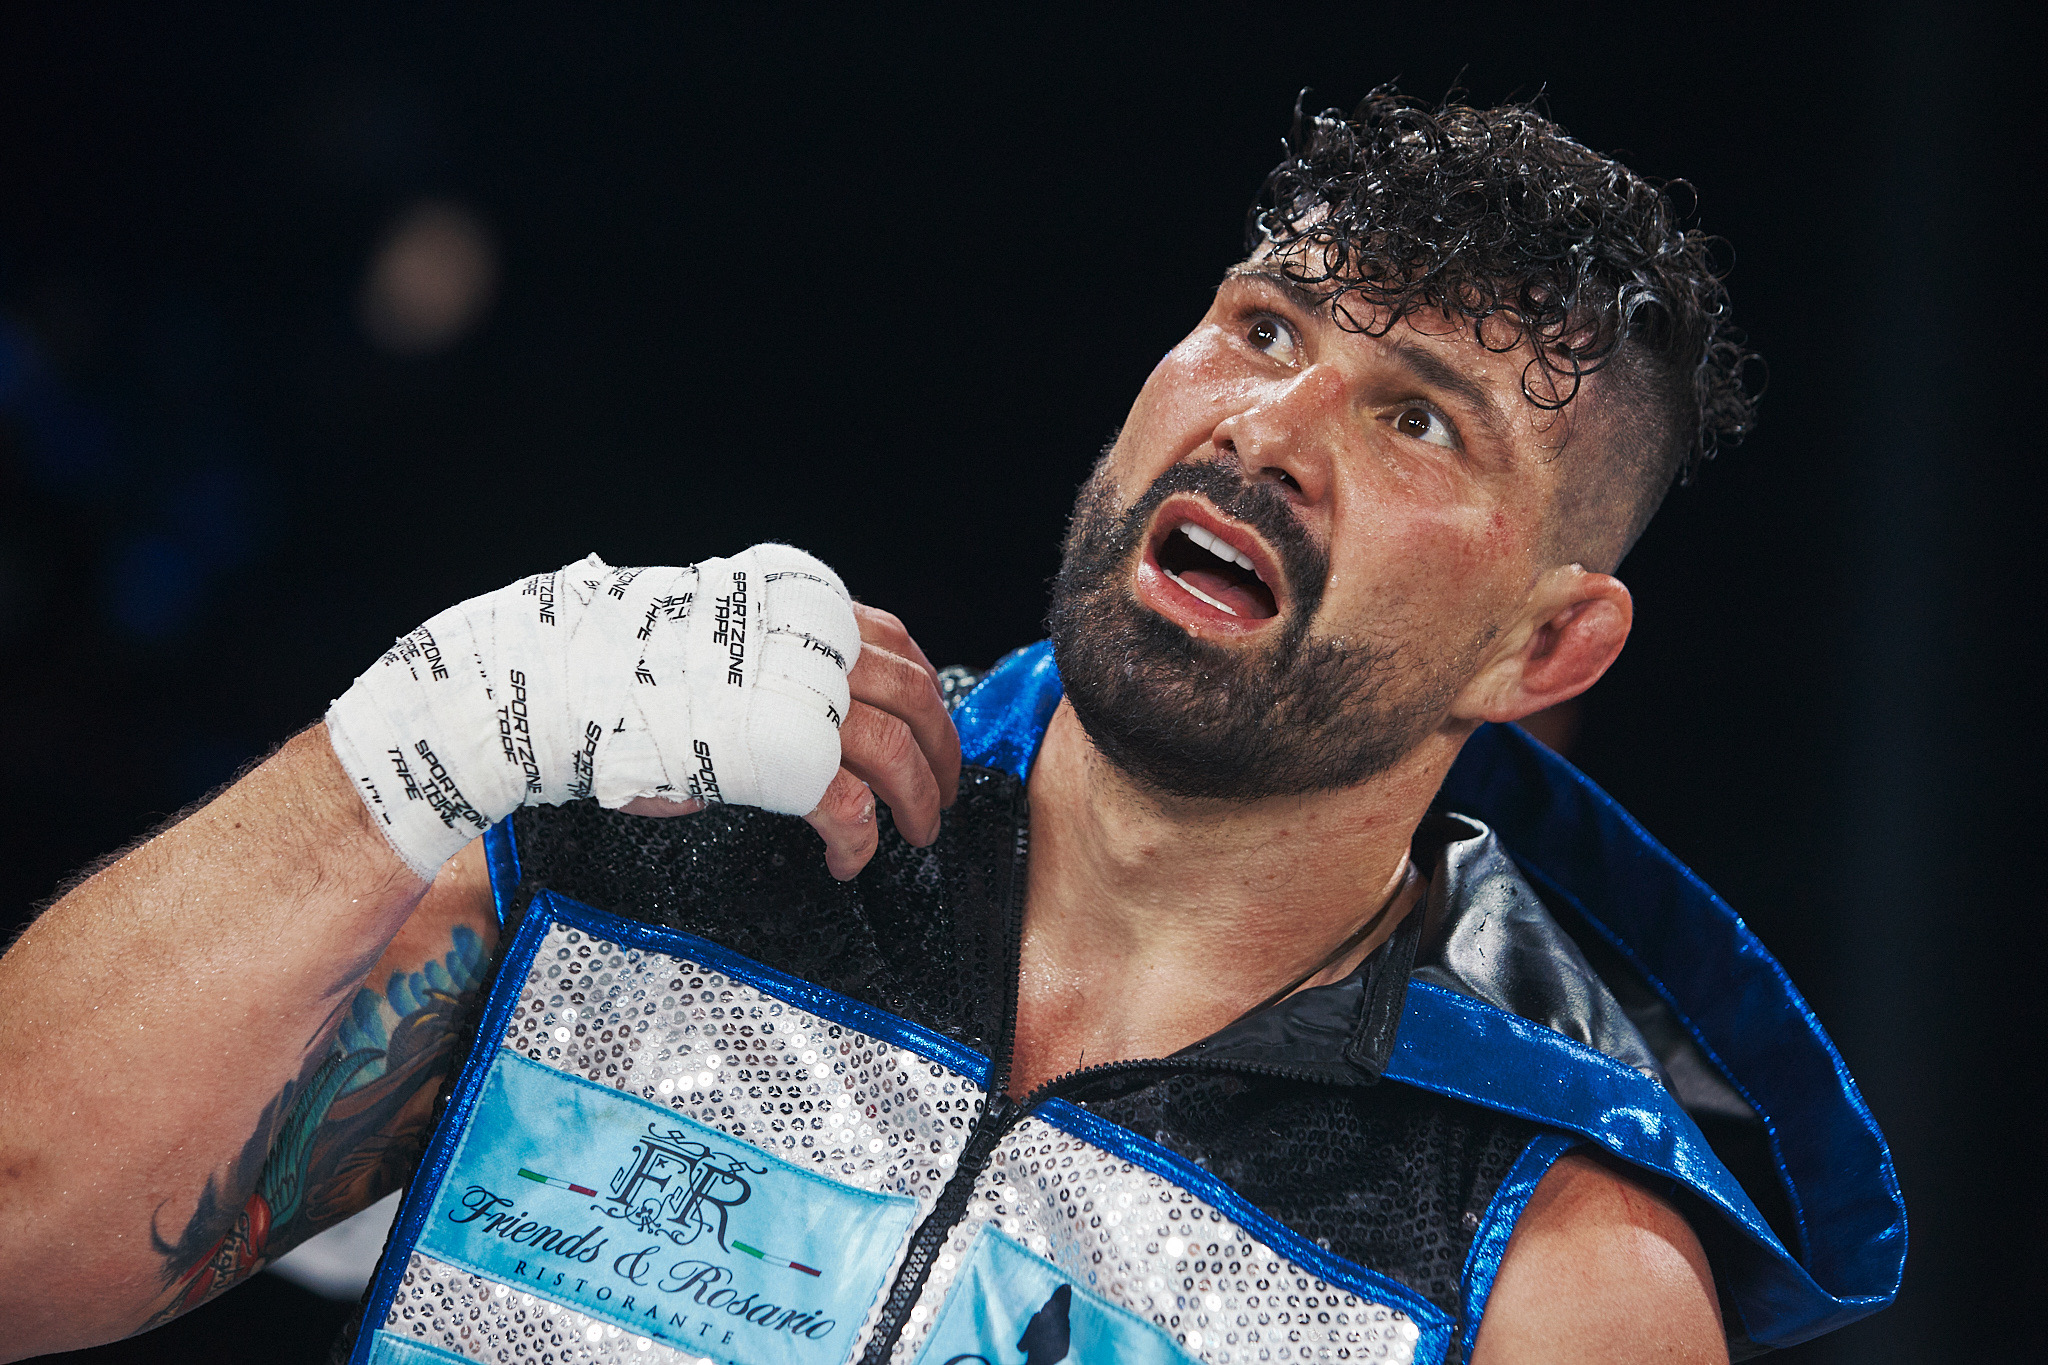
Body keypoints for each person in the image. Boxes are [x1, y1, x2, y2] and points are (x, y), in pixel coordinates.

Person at [0, 92, 1903, 1364]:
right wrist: (419, 739)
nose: (1266, 427)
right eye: (1263, 327)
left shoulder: (1545, 1274)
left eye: (1415, 419)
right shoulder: (650, 837)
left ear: (1549, 645)